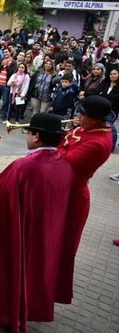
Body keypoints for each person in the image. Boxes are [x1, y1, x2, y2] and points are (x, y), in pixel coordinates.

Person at [0, 113, 78, 333]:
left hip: (17, 231)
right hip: (44, 233)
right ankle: (14, 311)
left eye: (28, 133)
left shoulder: (23, 166)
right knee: (29, 271)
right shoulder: (65, 165)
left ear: (36, 137)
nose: (27, 137)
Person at [57, 95, 113, 299]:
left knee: (58, 248)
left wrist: (55, 140)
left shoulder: (98, 142)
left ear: (97, 119)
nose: (78, 116)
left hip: (72, 197)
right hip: (61, 189)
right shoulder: (86, 128)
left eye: (84, 114)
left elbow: (64, 161)